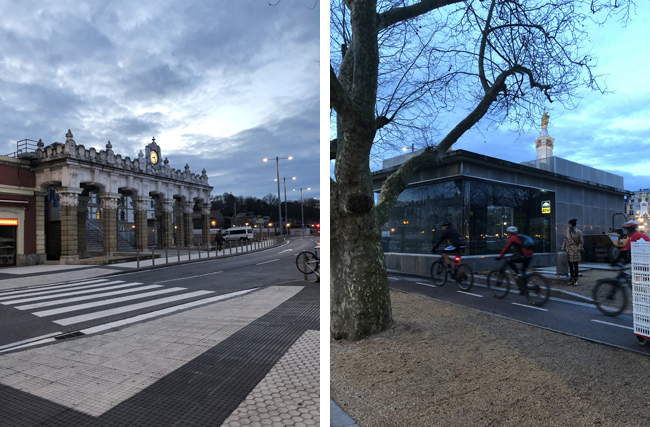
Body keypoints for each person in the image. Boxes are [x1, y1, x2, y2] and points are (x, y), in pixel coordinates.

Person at [496, 226, 534, 291]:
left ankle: (518, 274)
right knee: (523, 272)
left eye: (508, 233)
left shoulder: (513, 238)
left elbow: (506, 249)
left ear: (510, 232)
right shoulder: (520, 237)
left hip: (522, 255)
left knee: (508, 260)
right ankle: (524, 287)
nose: (508, 234)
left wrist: (500, 256)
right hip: (530, 256)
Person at [561, 219, 583, 286]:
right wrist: (563, 247)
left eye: (569, 224)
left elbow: (581, 242)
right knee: (570, 265)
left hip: (575, 250)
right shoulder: (567, 231)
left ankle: (576, 279)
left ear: (572, 225)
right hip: (569, 250)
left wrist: (578, 249)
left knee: (576, 265)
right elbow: (565, 239)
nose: (568, 225)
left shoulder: (579, 232)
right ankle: (571, 278)